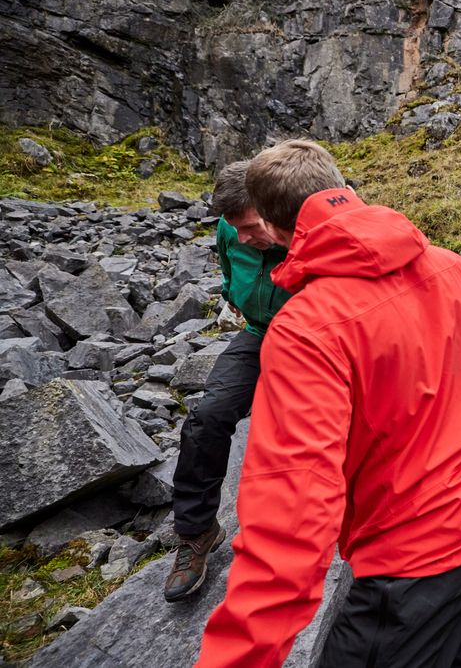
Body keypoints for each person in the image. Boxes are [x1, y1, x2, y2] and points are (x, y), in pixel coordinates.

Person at [196, 140, 461, 666]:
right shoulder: (443, 262)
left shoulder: (305, 329)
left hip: (412, 561)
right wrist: (448, 387)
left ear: (278, 230)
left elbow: (293, 520)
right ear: (345, 191)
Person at [163, 160, 292, 603]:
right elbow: (227, 268)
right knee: (207, 416)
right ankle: (197, 532)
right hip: (257, 333)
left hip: (309, 340)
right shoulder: (229, 228)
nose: (240, 237)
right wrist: (231, 293)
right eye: (231, 227)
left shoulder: (304, 231)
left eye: (250, 226)